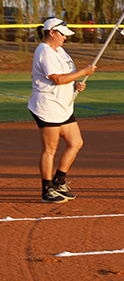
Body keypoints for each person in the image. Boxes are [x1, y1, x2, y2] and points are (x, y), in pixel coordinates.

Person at [28, 18, 97, 203]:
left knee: (76, 143)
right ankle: (47, 189)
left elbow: (65, 77)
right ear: (52, 33)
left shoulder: (60, 50)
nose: (65, 38)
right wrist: (83, 72)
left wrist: (75, 84)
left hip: (64, 106)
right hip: (47, 106)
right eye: (62, 34)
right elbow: (57, 79)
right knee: (50, 149)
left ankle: (59, 182)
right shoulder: (44, 51)